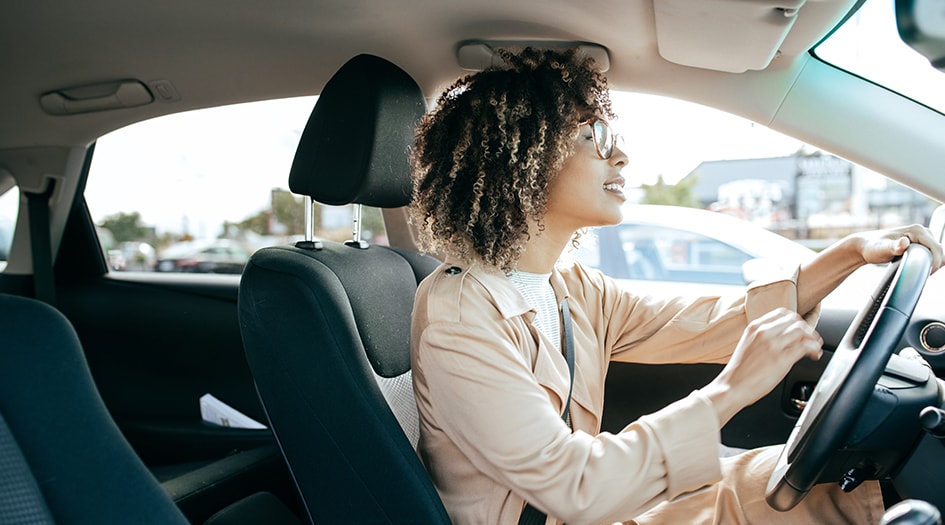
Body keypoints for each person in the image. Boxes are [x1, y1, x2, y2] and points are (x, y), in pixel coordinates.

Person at [408, 47, 944, 525]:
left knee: (815, 484)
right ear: (518, 159)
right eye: (593, 136)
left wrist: (850, 254)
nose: (619, 156)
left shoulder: (569, 287)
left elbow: (715, 320)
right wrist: (730, 390)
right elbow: (575, 487)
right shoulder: (458, 317)